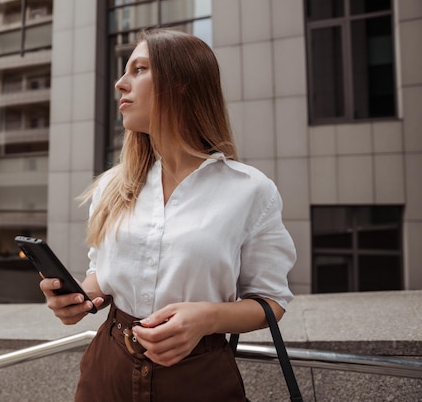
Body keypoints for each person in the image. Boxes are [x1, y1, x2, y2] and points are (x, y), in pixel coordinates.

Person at [39, 28, 296, 402]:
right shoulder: (114, 185)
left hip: (198, 376)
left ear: (181, 85)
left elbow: (271, 301)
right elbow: (103, 276)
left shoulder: (250, 190)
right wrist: (77, 298)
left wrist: (206, 318)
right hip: (106, 370)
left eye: (139, 69)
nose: (120, 84)